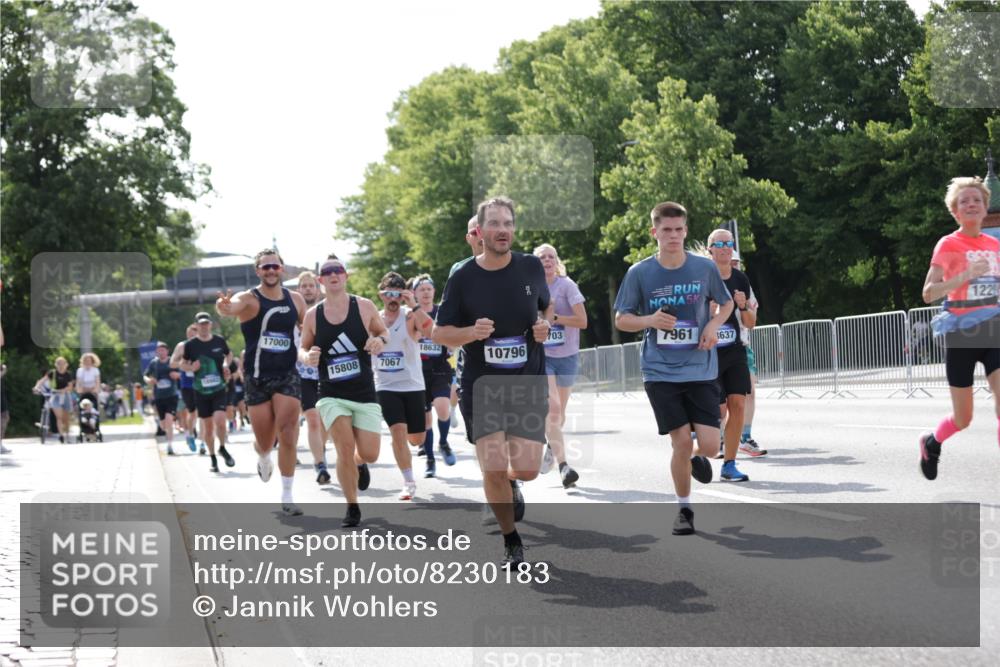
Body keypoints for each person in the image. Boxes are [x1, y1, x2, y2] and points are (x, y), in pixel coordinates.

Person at [433, 197, 552, 567]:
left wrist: (545, 324)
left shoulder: (532, 267)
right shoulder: (463, 276)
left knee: (528, 469)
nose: (503, 230)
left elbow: (546, 307)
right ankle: (511, 539)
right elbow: (440, 334)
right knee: (494, 467)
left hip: (527, 381)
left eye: (508, 223)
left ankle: (512, 483)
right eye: (495, 224)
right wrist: (471, 332)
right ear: (480, 232)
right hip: (481, 386)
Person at [614, 201, 732, 536]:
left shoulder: (703, 268)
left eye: (679, 229)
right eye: (667, 230)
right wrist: (649, 320)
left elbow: (724, 304)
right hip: (660, 370)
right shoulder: (640, 273)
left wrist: (712, 325)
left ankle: (696, 457)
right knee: (679, 442)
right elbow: (621, 319)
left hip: (700, 368)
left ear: (685, 231)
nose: (674, 236)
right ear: (655, 232)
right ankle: (684, 509)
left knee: (709, 447)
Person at [919, 176, 1000, 479]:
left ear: (984, 208)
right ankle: (932, 442)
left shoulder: (994, 245)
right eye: (964, 201)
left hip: (994, 329)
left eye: (976, 200)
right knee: (964, 418)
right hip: (962, 333)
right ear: (955, 211)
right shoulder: (949, 245)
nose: (971, 204)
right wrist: (965, 275)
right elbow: (928, 293)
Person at [216, 248, 307, 515]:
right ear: (258, 271)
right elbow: (228, 308)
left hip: (287, 374)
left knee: (289, 432)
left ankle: (287, 494)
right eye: (265, 267)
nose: (270, 271)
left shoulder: (296, 300)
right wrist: (222, 307)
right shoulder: (249, 298)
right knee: (266, 441)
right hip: (257, 378)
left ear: (282, 269)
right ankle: (264, 455)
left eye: (274, 266)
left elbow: (308, 328)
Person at [300, 255, 388, 527]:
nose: (333, 274)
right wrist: (308, 357)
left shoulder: (363, 306)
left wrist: (378, 341)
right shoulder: (313, 315)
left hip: (363, 391)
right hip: (330, 393)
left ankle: (360, 463)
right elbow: (302, 348)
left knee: (370, 453)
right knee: (343, 446)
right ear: (321, 280)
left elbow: (383, 333)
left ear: (345, 276)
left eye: (338, 270)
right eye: (327, 271)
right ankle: (352, 507)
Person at [374, 272, 434, 497]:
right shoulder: (374, 319)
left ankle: (410, 448)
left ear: (402, 296)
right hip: (386, 385)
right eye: (388, 294)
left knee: (417, 438)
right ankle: (408, 481)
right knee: (397, 431)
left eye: (397, 295)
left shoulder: (410, 317)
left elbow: (430, 331)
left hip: (412, 385)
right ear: (381, 295)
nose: (392, 299)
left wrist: (414, 304)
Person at [533, 243, 587, 488]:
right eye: (542, 257)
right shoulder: (531, 288)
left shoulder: (567, 285)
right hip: (542, 356)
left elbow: (583, 321)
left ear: (557, 261)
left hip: (567, 355)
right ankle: (565, 467)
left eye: (551, 256)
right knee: (552, 409)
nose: (547, 260)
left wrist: (555, 319)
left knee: (560, 414)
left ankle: (551, 447)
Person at [706, 229, 756, 481]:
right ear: (710, 250)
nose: (726, 248)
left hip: (735, 350)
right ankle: (697, 450)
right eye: (720, 244)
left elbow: (750, 322)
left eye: (729, 243)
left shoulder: (740, 279)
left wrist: (743, 304)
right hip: (709, 354)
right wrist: (709, 311)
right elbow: (690, 319)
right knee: (718, 412)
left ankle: (729, 465)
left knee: (738, 405)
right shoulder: (702, 278)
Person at [175, 311, 236, 474]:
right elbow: (181, 364)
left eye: (206, 323)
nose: (204, 326)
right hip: (201, 391)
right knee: (208, 429)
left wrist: (225, 365)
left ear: (210, 325)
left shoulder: (219, 341)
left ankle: (222, 447)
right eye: (200, 324)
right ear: (196, 326)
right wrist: (190, 367)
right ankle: (213, 457)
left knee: (221, 421)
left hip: (218, 388)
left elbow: (229, 354)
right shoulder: (191, 345)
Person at [410, 273, 456, 476]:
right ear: (415, 294)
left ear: (434, 292)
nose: (426, 293)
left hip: (440, 368)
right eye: (422, 289)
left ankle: (444, 443)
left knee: (443, 408)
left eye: (429, 289)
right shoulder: (409, 316)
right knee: (426, 420)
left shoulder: (442, 312)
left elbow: (453, 339)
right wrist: (416, 337)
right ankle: (430, 460)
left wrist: (445, 340)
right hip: (417, 372)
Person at [294, 271, 331, 484]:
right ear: (299, 290)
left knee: (326, 421)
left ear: (318, 289)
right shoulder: (291, 314)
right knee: (313, 419)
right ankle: (320, 465)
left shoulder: (327, 311)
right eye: (304, 286)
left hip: (327, 373)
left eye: (311, 285)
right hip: (301, 374)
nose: (308, 289)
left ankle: (320, 450)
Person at [728, 251, 766, 457]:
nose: (734, 265)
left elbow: (752, 320)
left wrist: (743, 306)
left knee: (749, 391)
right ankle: (720, 437)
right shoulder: (710, 282)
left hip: (742, 345)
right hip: (717, 348)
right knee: (722, 400)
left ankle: (745, 437)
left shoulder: (745, 286)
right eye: (731, 262)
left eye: (737, 263)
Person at [144, 341, 181, 455]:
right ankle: (167, 433)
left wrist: (177, 376)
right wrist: (149, 380)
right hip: (159, 396)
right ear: (156, 352)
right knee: (164, 424)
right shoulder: (153, 363)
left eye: (163, 350)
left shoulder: (173, 362)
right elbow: (145, 375)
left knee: (169, 420)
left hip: (172, 395)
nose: (161, 352)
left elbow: (182, 373)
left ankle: (169, 445)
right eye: (159, 350)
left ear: (167, 351)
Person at [172, 323, 201, 452]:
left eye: (194, 335)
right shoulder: (181, 346)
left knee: (204, 414)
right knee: (193, 412)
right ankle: (189, 434)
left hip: (203, 383)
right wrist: (184, 363)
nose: (192, 337)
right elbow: (172, 363)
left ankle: (203, 443)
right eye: (190, 335)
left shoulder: (204, 345)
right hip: (187, 384)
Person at [35, 357, 74, 443]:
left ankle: (67, 435)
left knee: (66, 419)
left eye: (62, 363)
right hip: (55, 396)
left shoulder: (68, 374)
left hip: (65, 396)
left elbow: (70, 387)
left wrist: (63, 390)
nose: (61, 365)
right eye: (59, 363)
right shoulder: (52, 373)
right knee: (59, 417)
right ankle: (61, 435)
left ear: (66, 365)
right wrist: (37, 387)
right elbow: (42, 380)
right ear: (56, 365)